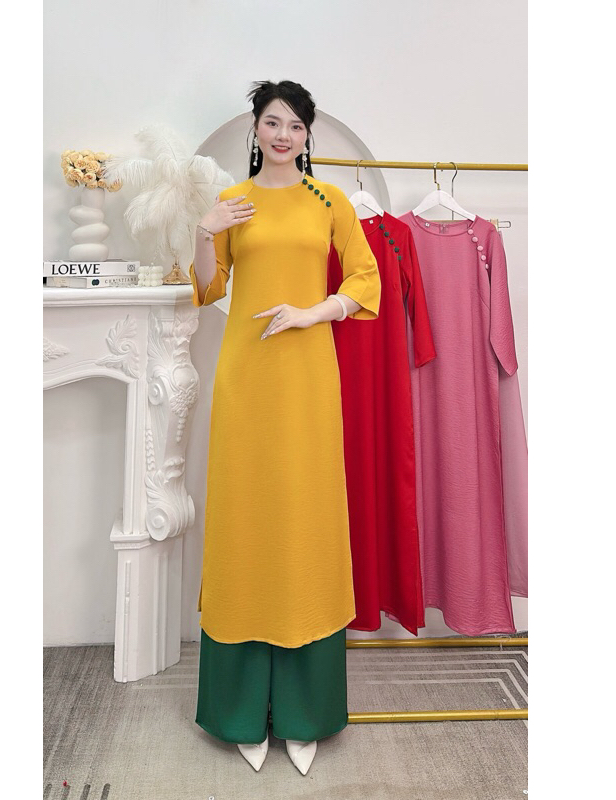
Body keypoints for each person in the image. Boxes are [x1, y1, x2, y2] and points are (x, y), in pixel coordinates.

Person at [188, 80, 381, 775]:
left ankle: (305, 710)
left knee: (305, 522)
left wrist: (311, 312)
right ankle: (240, 710)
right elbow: (208, 288)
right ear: (255, 128)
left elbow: (365, 281)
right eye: (273, 122)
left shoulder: (329, 203)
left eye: (295, 125)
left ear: (307, 135)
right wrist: (204, 232)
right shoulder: (233, 203)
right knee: (246, 522)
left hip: (306, 379)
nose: (283, 135)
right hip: (246, 380)